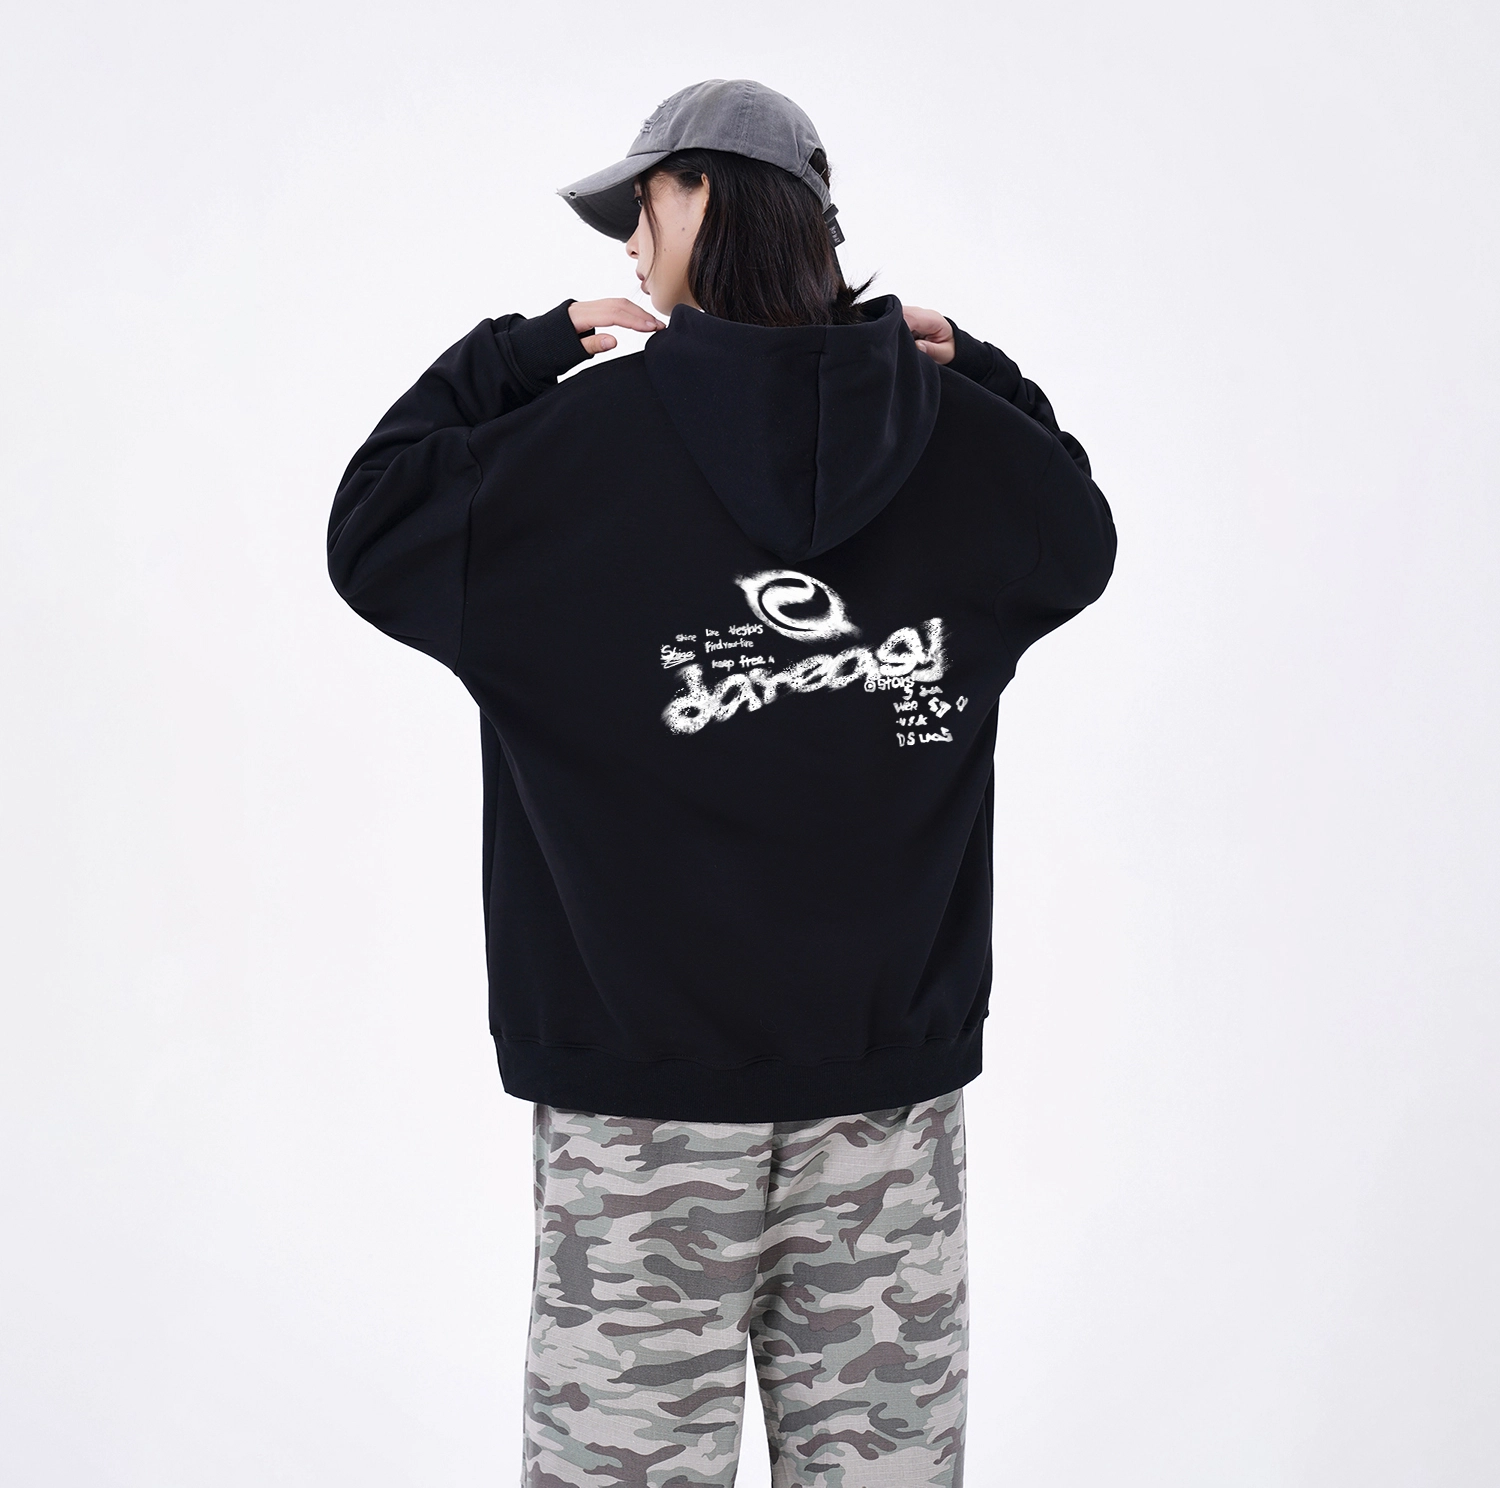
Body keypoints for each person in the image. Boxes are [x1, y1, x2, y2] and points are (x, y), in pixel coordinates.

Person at [329, 77, 1116, 1488]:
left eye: (641, 206)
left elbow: (373, 525)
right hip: (887, 1115)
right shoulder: (954, 446)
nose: (629, 246)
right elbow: (1076, 528)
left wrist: (517, 356)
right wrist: (980, 376)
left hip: (639, 1123)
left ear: (704, 195)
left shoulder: (560, 459)